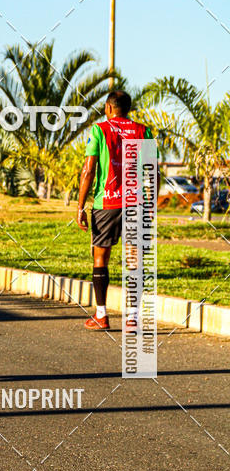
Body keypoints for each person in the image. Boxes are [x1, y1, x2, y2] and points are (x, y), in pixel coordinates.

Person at [76, 90, 159, 330]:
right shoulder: (143, 131)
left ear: (109, 108)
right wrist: (150, 204)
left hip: (107, 203)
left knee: (100, 256)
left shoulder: (99, 130)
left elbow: (88, 170)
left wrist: (80, 206)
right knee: (134, 258)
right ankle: (132, 317)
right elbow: (153, 171)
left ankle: (101, 315)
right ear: (128, 108)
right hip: (137, 203)